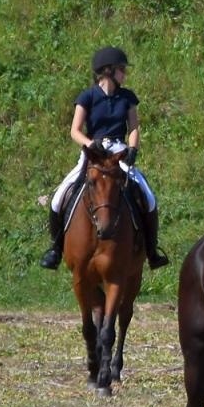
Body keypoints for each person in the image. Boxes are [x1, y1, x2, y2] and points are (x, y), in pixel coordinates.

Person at [40, 47, 169, 269]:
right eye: (121, 69)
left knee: (148, 197)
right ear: (108, 71)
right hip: (93, 154)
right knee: (58, 197)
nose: (124, 74)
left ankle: (151, 250)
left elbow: (134, 128)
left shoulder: (127, 97)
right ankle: (55, 248)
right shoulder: (87, 97)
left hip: (119, 153)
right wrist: (91, 144)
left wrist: (132, 149)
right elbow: (75, 130)